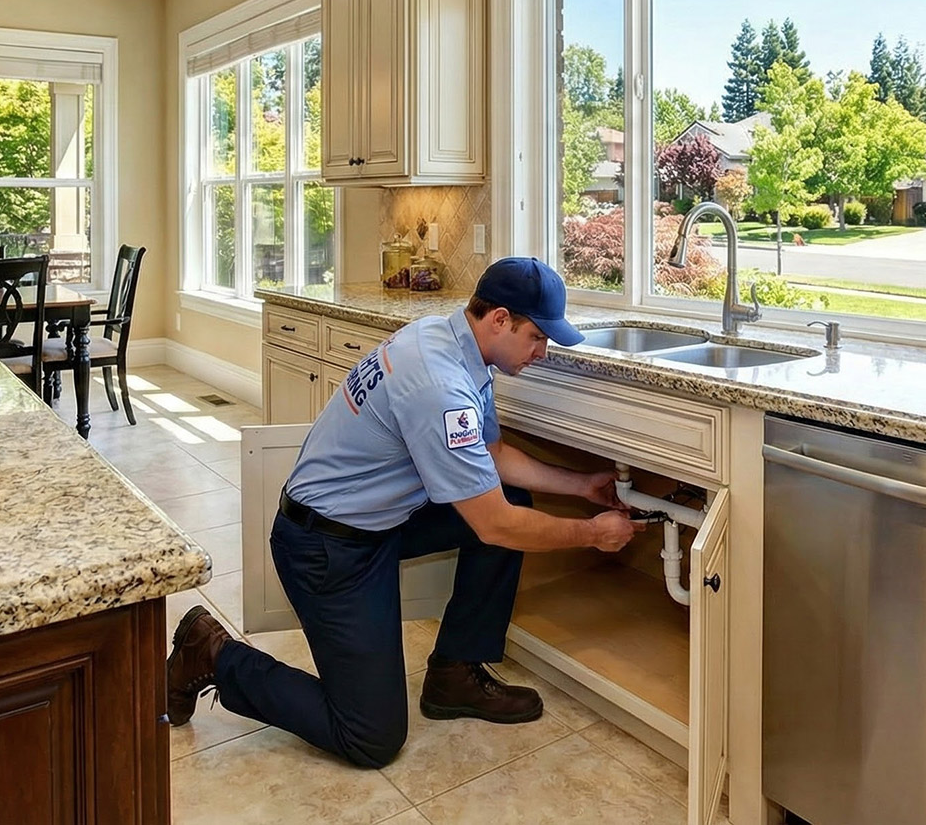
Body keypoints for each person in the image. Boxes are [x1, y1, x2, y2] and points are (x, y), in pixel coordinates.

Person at [165, 257, 643, 768]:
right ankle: (213, 653)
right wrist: (592, 534)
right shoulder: (439, 385)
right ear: (500, 319)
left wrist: (582, 486)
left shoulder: (446, 341)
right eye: (537, 338)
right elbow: (494, 523)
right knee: (371, 737)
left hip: (375, 522)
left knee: (512, 505)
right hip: (327, 547)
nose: (542, 352)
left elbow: (494, 456)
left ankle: (454, 675)